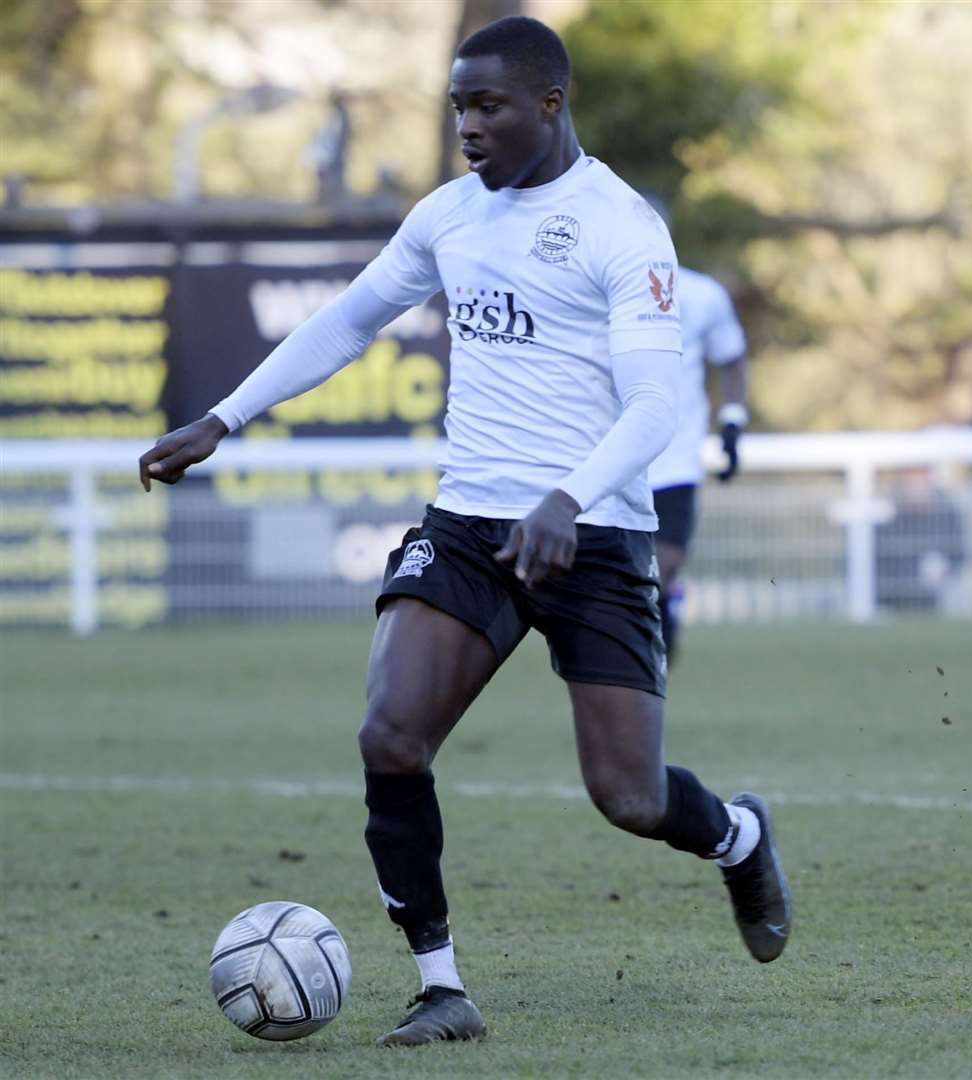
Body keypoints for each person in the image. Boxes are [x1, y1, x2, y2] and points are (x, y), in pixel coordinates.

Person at [138, 16, 790, 1048]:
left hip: (596, 534)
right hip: (470, 523)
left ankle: (739, 836)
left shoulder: (622, 227)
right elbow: (350, 321)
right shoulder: (448, 217)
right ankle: (442, 987)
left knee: (626, 797)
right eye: (457, 109)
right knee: (390, 735)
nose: (468, 129)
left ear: (549, 103)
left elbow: (657, 407)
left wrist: (567, 500)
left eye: (486, 107)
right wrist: (226, 416)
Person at [643, 204, 749, 663]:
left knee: (664, 566)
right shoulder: (595, 293)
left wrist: (732, 423)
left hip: (676, 456)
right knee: (626, 572)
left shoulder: (702, 295)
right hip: (611, 460)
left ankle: (665, 617)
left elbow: (732, 359)